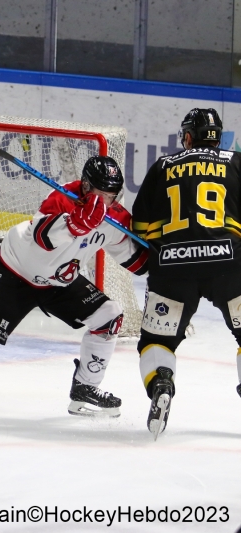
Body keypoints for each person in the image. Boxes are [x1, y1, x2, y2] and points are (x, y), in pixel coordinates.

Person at [0, 155, 149, 425]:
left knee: (108, 315)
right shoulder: (63, 197)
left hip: (59, 281)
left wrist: (168, 259)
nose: (104, 201)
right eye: (99, 193)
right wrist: (75, 224)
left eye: (110, 195)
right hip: (15, 274)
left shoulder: (115, 217)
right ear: (86, 187)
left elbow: (138, 264)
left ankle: (84, 389)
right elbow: (42, 238)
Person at [131, 108, 241, 437]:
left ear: (188, 136)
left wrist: (164, 261)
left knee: (157, 342)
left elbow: (141, 229)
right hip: (230, 263)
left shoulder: (162, 166)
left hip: (173, 267)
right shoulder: (236, 162)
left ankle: (161, 384)